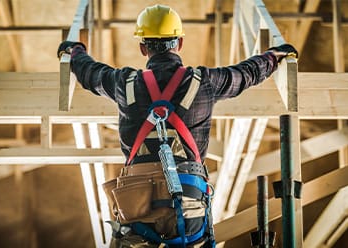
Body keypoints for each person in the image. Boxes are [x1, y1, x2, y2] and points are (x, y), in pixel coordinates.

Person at [57, 4, 297, 248]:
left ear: (143, 47)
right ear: (179, 43)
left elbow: (90, 73)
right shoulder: (204, 83)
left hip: (136, 206)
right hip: (188, 203)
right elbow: (245, 74)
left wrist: (74, 51)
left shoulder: (124, 83)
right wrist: (273, 56)